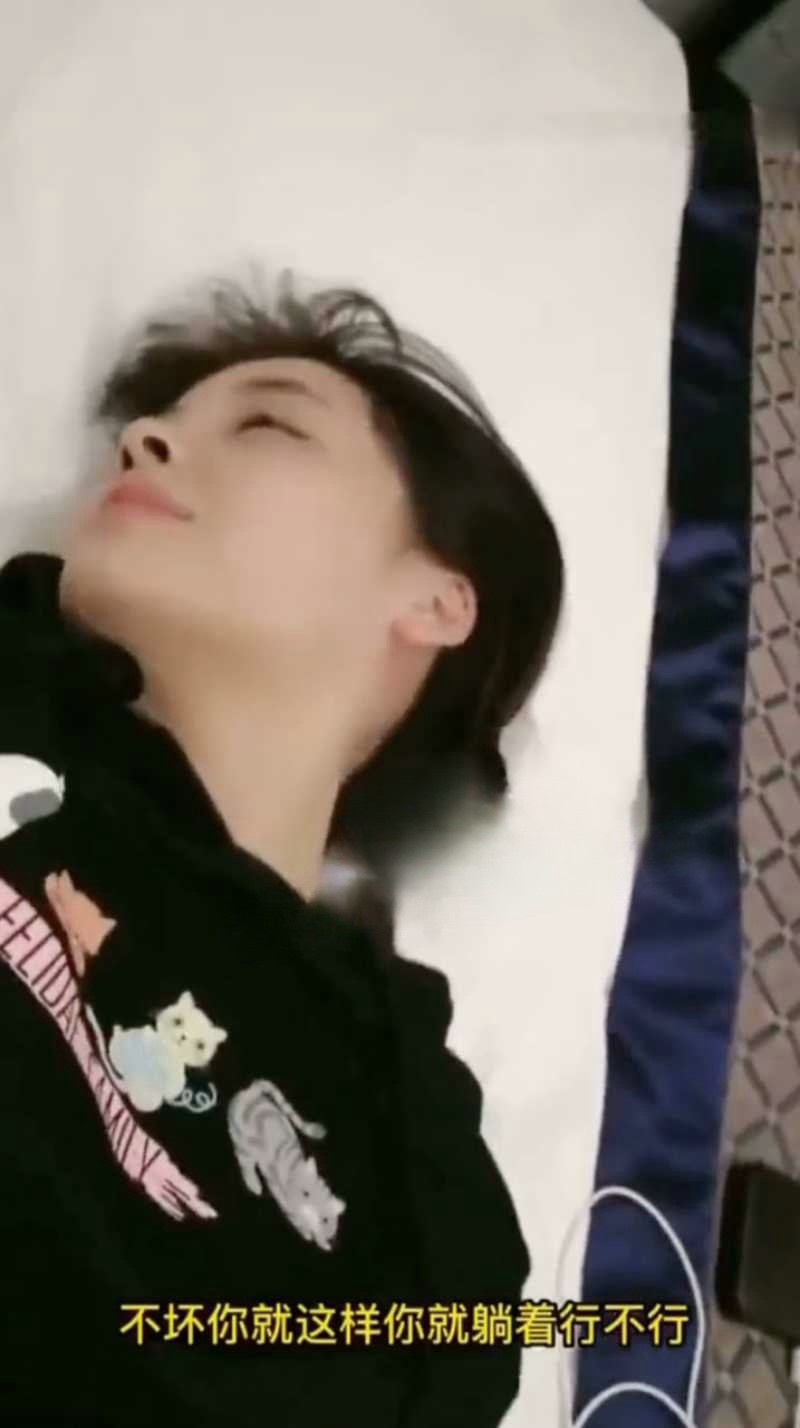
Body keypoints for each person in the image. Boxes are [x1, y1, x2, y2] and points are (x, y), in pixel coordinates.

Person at [0, 270, 563, 1428]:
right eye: (150, 424)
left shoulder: (409, 1168)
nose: (144, 441)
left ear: (435, 601)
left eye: (263, 425)